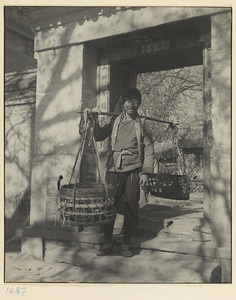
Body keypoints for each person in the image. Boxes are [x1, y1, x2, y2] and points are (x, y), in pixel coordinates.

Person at [84, 88, 154, 257]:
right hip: (113, 169)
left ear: (139, 104)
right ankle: (108, 241)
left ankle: (126, 243)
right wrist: (93, 119)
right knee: (109, 206)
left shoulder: (142, 124)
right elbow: (99, 136)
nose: (131, 105)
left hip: (133, 170)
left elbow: (150, 148)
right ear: (123, 104)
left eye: (135, 101)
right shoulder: (114, 121)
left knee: (131, 207)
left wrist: (146, 172)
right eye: (128, 101)